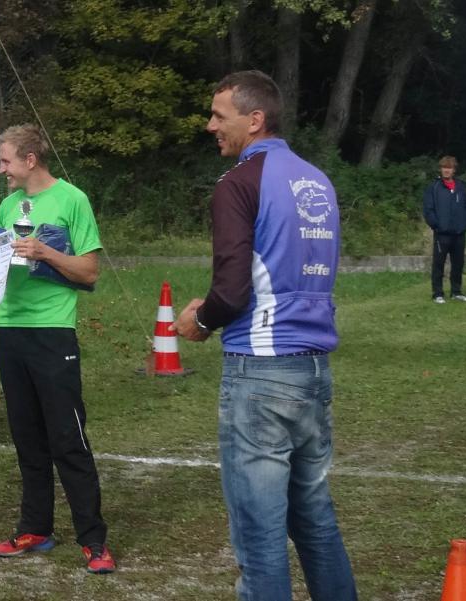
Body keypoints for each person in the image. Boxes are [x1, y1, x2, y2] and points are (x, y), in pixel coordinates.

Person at [172, 71, 357, 600]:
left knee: (259, 534)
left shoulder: (238, 183)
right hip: (313, 369)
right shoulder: (316, 179)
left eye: (219, 116)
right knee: (314, 518)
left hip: (261, 370)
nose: (210, 126)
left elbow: (231, 291)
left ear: (255, 120)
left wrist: (199, 321)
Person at [0, 124, 115, 574]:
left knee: (67, 438)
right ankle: (36, 527)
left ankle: (93, 539)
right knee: (27, 436)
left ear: (30, 160)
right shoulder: (9, 205)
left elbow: (89, 272)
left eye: (6, 161)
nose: (1, 169)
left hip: (52, 330)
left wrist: (46, 253)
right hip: (8, 327)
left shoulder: (72, 199)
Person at [422, 156, 466, 303]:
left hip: (459, 233)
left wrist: (465, 222)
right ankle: (437, 294)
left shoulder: (460, 186)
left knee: (458, 264)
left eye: (449, 168)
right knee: (439, 264)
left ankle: (456, 292)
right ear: (441, 169)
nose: (446, 170)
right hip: (442, 234)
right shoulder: (434, 187)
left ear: (454, 170)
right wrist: (436, 225)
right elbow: (428, 209)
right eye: (444, 167)